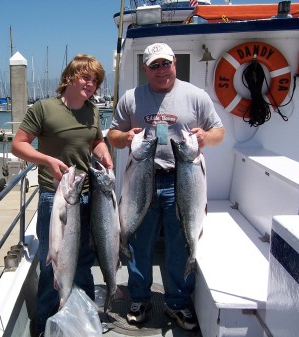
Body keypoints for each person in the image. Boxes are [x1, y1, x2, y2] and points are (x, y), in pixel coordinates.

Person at [107, 43, 225, 330]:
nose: (162, 70)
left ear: (174, 63)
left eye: (166, 63)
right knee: (137, 241)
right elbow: (112, 134)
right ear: (145, 69)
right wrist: (125, 137)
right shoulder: (131, 98)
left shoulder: (196, 96)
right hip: (142, 178)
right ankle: (139, 298)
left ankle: (178, 303)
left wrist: (206, 137)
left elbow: (219, 131)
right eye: (154, 66)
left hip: (181, 179)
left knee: (181, 243)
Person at [11, 54, 113, 337]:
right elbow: (18, 146)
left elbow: (96, 141)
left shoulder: (92, 111)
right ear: (69, 77)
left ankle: (84, 323)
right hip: (53, 198)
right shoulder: (44, 108)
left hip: (88, 197)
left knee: (83, 263)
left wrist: (104, 155)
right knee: (51, 263)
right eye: (86, 77)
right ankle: (46, 325)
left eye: (95, 81)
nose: (91, 84)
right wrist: (47, 161)